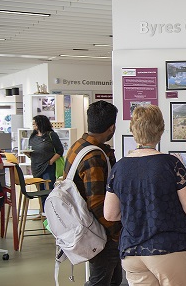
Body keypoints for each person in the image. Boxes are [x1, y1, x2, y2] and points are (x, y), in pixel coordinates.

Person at [104, 105, 186, 286]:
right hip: (168, 248)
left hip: (132, 250)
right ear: (161, 130)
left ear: (133, 130)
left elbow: (110, 214)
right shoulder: (170, 164)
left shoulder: (120, 167)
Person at [63, 101, 122, 286]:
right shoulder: (94, 157)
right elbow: (97, 204)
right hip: (99, 231)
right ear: (112, 127)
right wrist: (116, 233)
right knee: (102, 280)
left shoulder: (78, 146)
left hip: (85, 227)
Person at [27, 115, 64, 189]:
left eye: (35, 123)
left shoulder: (51, 135)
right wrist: (28, 154)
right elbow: (31, 152)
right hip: (36, 167)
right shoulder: (33, 136)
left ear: (41, 123)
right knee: (40, 191)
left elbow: (60, 150)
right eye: (33, 124)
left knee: (48, 189)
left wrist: (51, 162)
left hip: (48, 167)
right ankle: (42, 201)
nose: (33, 125)